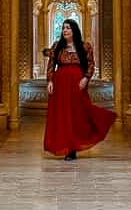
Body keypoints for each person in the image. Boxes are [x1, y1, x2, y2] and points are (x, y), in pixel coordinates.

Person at [43, 18, 116, 160]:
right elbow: (51, 65)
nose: (65, 30)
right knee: (63, 116)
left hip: (77, 83)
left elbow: (90, 65)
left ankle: (102, 122)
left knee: (79, 113)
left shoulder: (85, 47)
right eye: (63, 28)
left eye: (68, 28)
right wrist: (50, 81)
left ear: (74, 30)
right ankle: (69, 148)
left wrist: (85, 78)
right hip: (60, 84)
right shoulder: (57, 46)